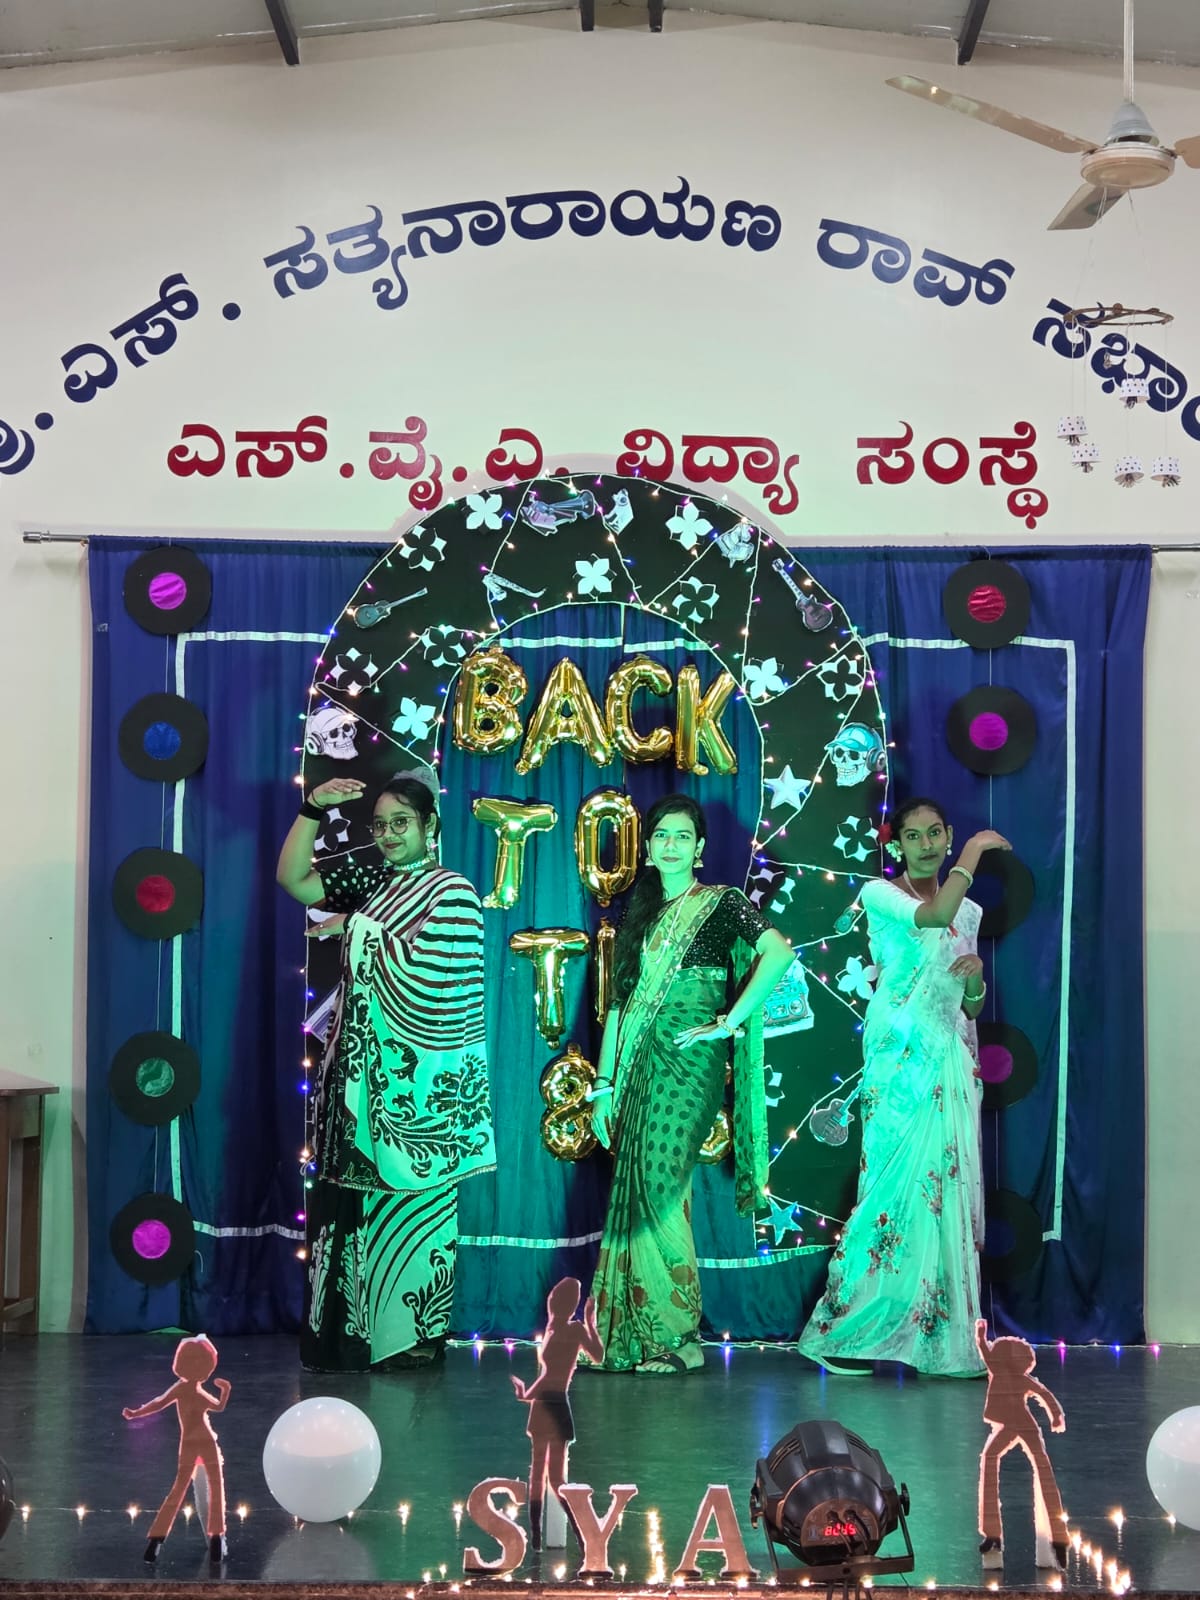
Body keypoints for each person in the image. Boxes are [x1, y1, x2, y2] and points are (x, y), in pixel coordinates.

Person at [276, 767, 495, 1372]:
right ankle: (350, 1335)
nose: (390, 834)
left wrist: (356, 929)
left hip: (417, 1087)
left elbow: (439, 983)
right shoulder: (376, 883)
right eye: (380, 825)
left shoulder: (452, 891)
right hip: (356, 1081)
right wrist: (312, 808)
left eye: (402, 822)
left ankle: (409, 1337)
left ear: (430, 826)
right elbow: (293, 880)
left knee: (415, 1208)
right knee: (349, 1207)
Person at [797, 797, 1010, 1377]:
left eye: (936, 833)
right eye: (914, 836)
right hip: (897, 1057)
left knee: (941, 1192)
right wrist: (975, 851)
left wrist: (976, 980)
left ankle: (937, 1340)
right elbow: (935, 917)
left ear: (946, 835)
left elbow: (970, 1006)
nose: (926, 845)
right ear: (897, 845)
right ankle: (845, 1334)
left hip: (946, 1057)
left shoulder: (970, 913)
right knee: (888, 1189)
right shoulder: (880, 895)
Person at [588, 794, 793, 1376]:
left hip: (688, 1064)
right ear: (648, 848)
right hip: (634, 1066)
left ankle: (680, 1337)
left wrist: (728, 1021)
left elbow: (777, 953)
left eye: (682, 836)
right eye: (661, 836)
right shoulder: (639, 916)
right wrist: (603, 1086)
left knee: (659, 1185)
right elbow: (621, 1006)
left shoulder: (722, 904)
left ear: (700, 848)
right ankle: (631, 1333)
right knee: (639, 1189)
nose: (671, 845)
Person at [511, 1277, 603, 1548]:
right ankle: (538, 1537)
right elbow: (548, 1376)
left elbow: (597, 1356)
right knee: (539, 1475)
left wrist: (590, 1323)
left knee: (553, 1478)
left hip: (553, 1404)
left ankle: (579, 1535)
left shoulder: (574, 1329)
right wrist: (526, 1394)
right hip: (545, 1403)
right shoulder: (555, 1328)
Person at [122, 1333, 231, 1564]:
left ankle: (156, 1540)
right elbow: (220, 1407)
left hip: (189, 1444)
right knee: (215, 1489)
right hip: (206, 1442)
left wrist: (135, 1413)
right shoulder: (198, 1393)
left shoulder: (180, 1389)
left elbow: (158, 1403)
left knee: (178, 1491)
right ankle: (216, 1538)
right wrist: (225, 1389)